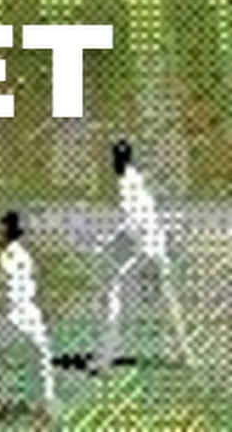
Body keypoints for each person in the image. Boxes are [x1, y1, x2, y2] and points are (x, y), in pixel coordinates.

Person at [93, 140, 193, 372]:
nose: (113, 163)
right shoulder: (135, 180)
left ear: (118, 160)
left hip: (145, 250)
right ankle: (186, 355)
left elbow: (132, 224)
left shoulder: (127, 184)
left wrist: (106, 243)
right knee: (168, 300)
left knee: (114, 296)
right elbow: (139, 222)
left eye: (115, 159)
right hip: (156, 249)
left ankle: (104, 360)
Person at [0, 211, 56, 416]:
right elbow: (31, 283)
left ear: (6, 231)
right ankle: (46, 403)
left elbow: (5, 290)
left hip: (11, 314)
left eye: (0, 230)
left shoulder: (7, 257)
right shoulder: (24, 255)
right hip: (30, 312)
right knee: (41, 354)